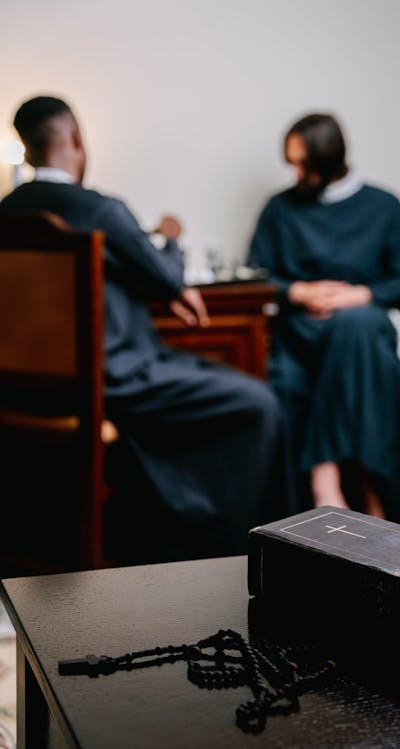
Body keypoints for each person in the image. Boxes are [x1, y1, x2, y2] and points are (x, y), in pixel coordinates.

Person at [0, 95, 296, 560]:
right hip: (113, 380)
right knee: (258, 402)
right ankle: (257, 550)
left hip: (27, 393)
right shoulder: (99, 210)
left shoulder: (8, 213)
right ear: (75, 138)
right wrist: (171, 237)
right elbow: (165, 276)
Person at [248, 112, 400, 526]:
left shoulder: (383, 205)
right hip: (303, 330)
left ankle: (325, 474)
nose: (295, 172)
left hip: (363, 324)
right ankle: (370, 493)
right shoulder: (280, 209)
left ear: (330, 160)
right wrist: (300, 291)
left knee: (355, 324)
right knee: (341, 337)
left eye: (303, 164)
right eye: (291, 162)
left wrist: (358, 295)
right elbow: (256, 273)